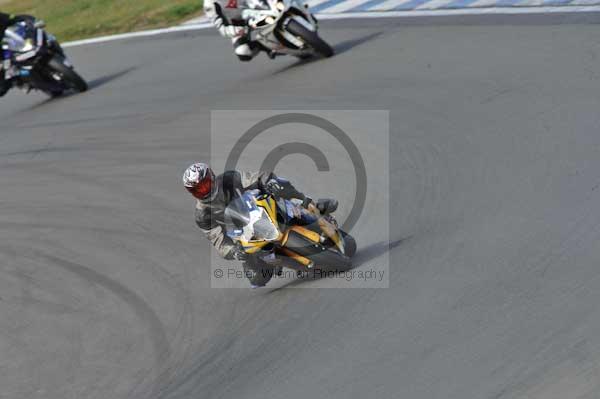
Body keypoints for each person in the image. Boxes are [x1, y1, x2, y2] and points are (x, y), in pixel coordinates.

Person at [182, 162, 338, 287]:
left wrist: (268, 181)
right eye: (198, 190)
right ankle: (291, 262)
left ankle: (311, 206)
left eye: (205, 184)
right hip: (244, 238)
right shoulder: (202, 215)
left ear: (212, 176)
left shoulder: (230, 179)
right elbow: (218, 242)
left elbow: (254, 178)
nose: (203, 190)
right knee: (257, 279)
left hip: (260, 211)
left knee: (280, 185)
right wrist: (234, 251)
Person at [0, 12, 35, 97]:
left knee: (36, 31)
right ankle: (19, 81)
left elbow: (13, 18)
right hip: (6, 56)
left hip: (14, 41)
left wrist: (25, 21)